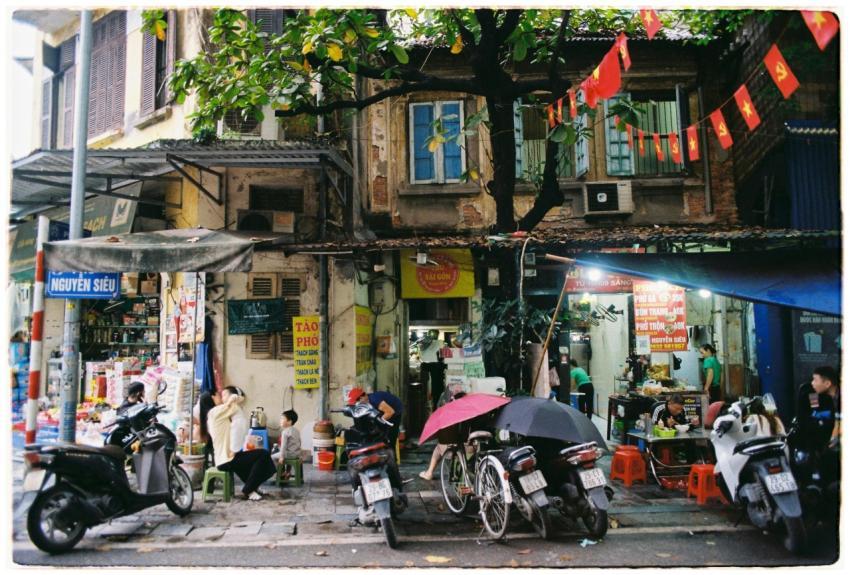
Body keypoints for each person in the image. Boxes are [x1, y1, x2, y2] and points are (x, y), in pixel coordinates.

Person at [208, 386, 276, 501]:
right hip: (226, 459)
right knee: (263, 454)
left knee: (248, 460)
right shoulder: (218, 411)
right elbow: (239, 425)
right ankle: (248, 489)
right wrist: (234, 450)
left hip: (224, 458)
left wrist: (233, 399)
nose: (222, 397)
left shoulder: (217, 413)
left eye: (224, 395)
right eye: (220, 395)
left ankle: (253, 488)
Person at [418, 389, 467, 481]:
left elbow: (445, 437)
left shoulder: (448, 412)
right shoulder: (470, 408)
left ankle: (429, 472)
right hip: (470, 443)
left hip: (455, 444)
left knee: (438, 447)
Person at [795, 365, 840, 452]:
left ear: (827, 384)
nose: (812, 383)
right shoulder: (813, 394)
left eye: (815, 380)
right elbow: (814, 412)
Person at [419, 330, 446, 412]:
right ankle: (435, 408)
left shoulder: (423, 343)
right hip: (436, 368)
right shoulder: (439, 343)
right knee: (436, 390)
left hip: (427, 367)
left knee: (429, 390)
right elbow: (442, 356)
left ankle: (430, 407)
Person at [272, 410, 302, 480]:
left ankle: (281, 473)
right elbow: (299, 443)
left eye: (282, 419)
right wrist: (300, 455)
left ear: (289, 422)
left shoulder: (285, 432)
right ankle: (288, 472)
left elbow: (283, 446)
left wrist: (281, 457)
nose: (280, 420)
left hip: (289, 454)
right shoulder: (296, 431)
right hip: (296, 454)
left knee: (272, 457)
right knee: (286, 453)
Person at [194, 391, 219, 468]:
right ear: (211, 400)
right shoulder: (215, 413)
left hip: (207, 442)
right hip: (215, 442)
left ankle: (207, 475)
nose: (218, 397)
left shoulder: (203, 414)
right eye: (215, 396)